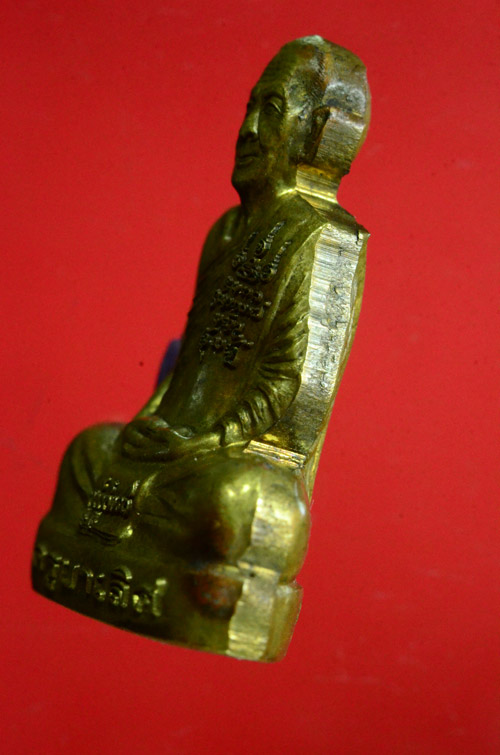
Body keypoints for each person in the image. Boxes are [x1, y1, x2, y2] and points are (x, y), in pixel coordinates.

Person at [35, 37, 370, 660]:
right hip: (175, 447)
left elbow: (294, 391)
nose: (248, 129)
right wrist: (152, 423)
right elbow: (187, 362)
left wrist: (204, 443)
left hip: (228, 458)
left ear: (322, 132)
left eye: (272, 111)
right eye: (249, 109)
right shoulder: (225, 232)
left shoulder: (323, 236)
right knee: (90, 453)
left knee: (244, 505)